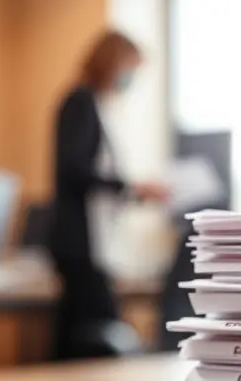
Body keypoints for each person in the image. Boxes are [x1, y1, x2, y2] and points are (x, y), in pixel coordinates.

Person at [47, 30, 168, 360]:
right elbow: (73, 170)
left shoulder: (101, 107)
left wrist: (134, 192)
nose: (132, 78)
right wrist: (129, 186)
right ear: (113, 62)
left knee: (81, 335)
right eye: (131, 67)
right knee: (96, 335)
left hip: (94, 246)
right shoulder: (81, 102)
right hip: (80, 245)